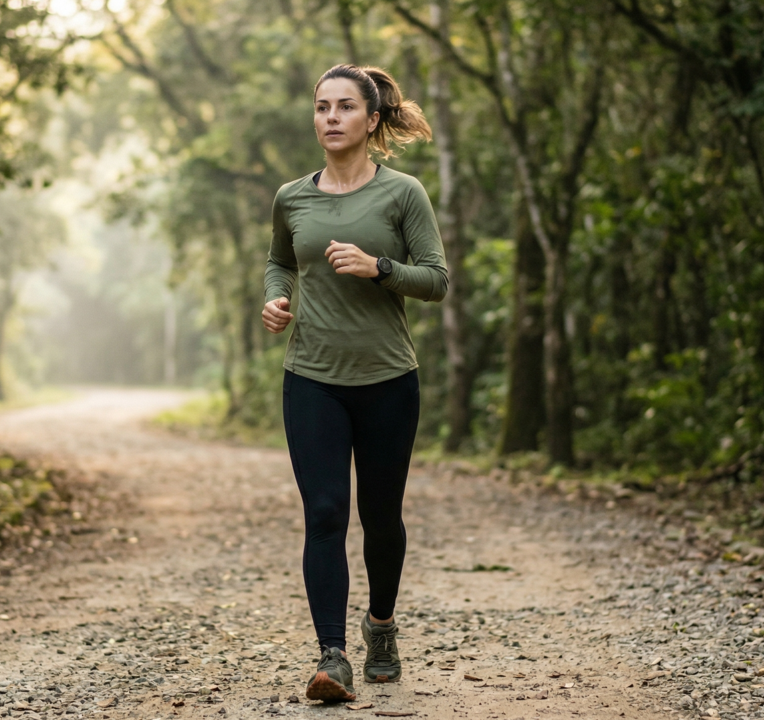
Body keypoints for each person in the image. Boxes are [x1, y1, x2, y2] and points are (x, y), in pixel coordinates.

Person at [262, 63, 447, 703]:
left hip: (388, 378)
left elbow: (437, 280)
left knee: (381, 516)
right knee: (323, 513)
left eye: (344, 107)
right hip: (311, 376)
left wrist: (379, 267)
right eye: (321, 107)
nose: (331, 118)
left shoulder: (403, 194)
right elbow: (280, 261)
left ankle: (382, 627)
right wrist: (275, 300)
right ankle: (332, 657)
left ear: (371, 120)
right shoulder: (293, 196)